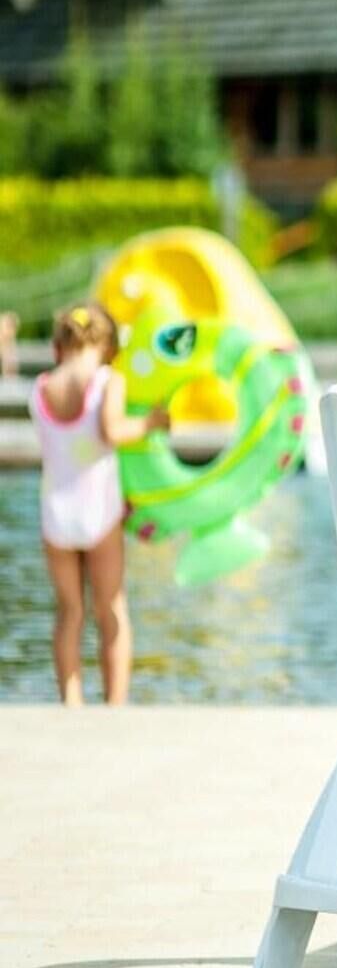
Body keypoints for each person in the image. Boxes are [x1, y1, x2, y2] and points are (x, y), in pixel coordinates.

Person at [32, 302, 169, 706]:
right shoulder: (108, 380)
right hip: (99, 511)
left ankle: (72, 704)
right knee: (110, 610)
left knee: (69, 612)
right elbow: (111, 431)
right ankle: (114, 706)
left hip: (56, 515)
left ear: (58, 347)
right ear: (108, 347)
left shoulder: (41, 388)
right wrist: (150, 423)